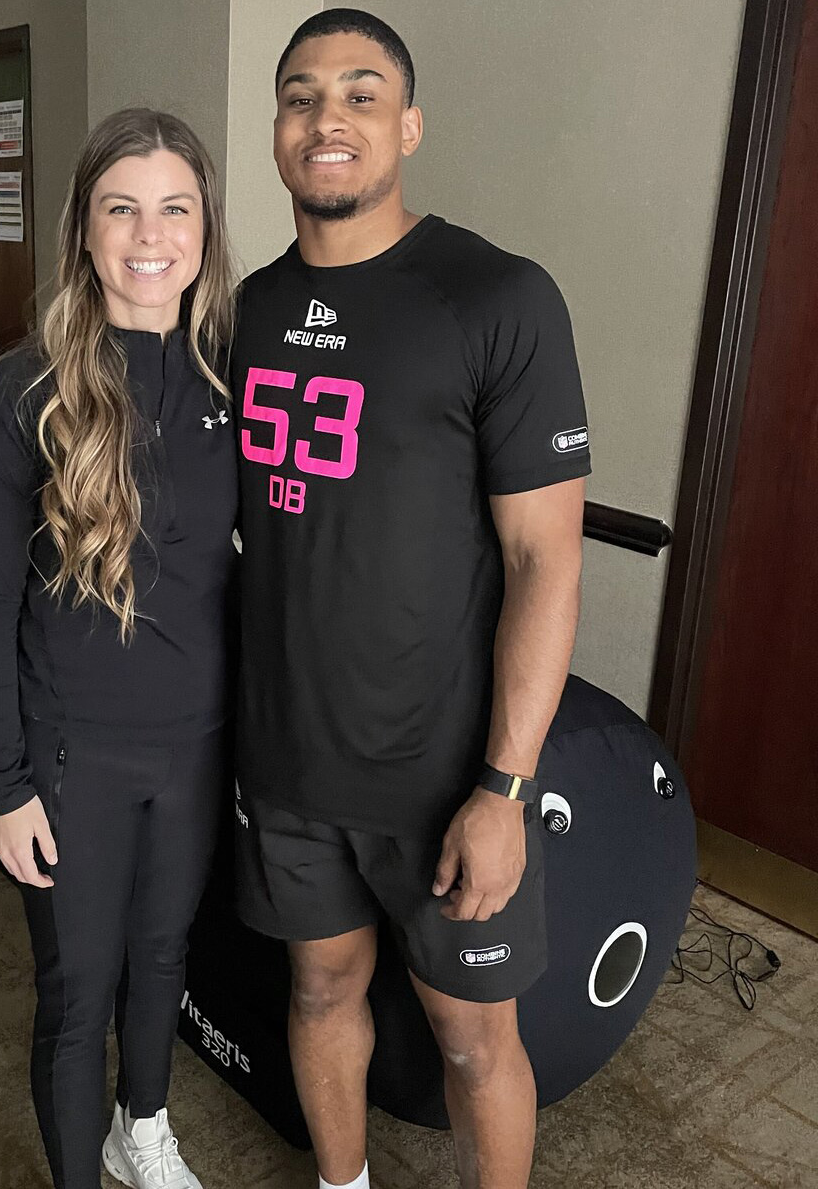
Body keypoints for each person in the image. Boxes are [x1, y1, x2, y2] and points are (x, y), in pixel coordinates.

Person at [230, 10, 590, 1189]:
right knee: (320, 987)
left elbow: (546, 561)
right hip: (288, 762)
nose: (326, 117)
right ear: (277, 130)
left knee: (476, 1041)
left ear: (409, 125)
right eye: (299, 96)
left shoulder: (498, 298)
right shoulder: (244, 313)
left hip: (443, 782)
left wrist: (504, 785)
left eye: (360, 93)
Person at [0, 108, 238, 1189]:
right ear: (84, 227)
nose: (150, 234)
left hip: (196, 747)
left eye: (176, 207)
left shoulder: (233, 373)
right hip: (71, 756)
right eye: (122, 207)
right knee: (77, 995)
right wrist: (4, 782)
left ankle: (145, 1128)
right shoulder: (28, 389)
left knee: (163, 959)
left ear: (205, 228)